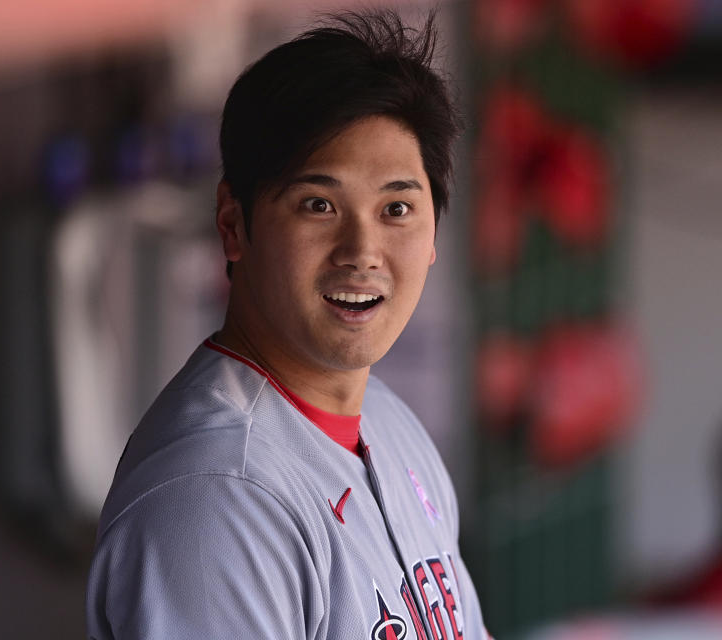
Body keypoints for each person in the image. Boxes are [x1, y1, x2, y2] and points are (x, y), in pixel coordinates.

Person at [87, 10, 487, 639]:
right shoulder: (219, 497)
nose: (363, 250)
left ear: (434, 234)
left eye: (398, 208)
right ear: (234, 223)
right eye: (319, 205)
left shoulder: (389, 425)